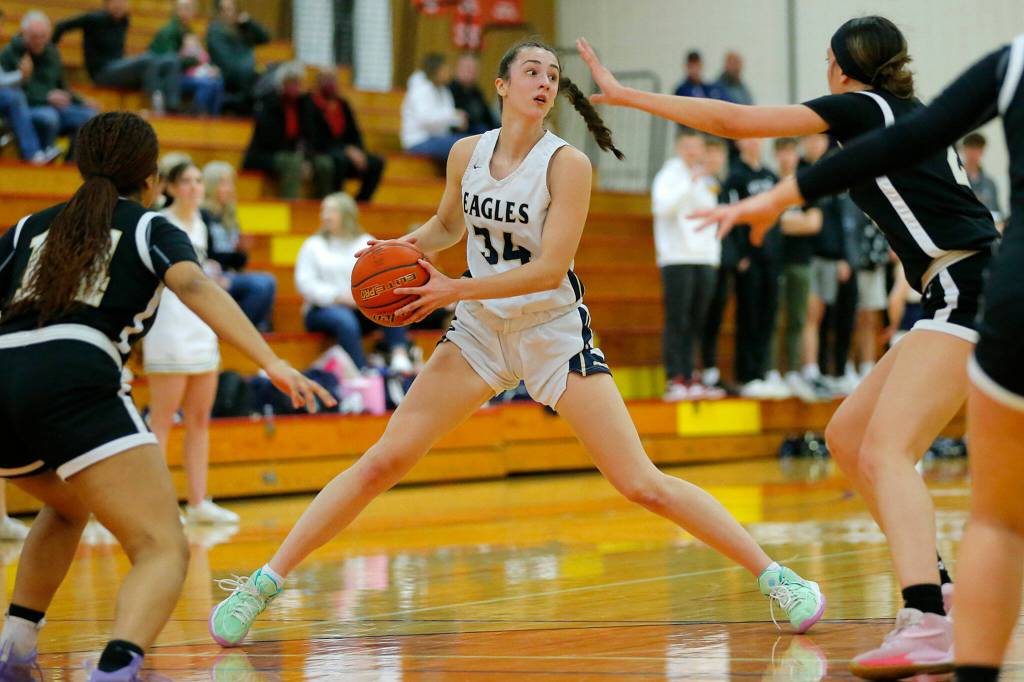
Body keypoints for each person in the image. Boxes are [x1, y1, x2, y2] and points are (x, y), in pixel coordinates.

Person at [207, 39, 825, 649]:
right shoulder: (465, 153)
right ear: (502, 86)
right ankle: (261, 584)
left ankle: (779, 578)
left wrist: (451, 290)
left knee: (641, 483)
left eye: (554, 74)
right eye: (532, 70)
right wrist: (405, 248)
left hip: (550, 332)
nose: (546, 81)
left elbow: (550, 270)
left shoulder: (567, 165)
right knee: (384, 461)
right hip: (480, 330)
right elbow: (451, 224)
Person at [578, 16, 1000, 678]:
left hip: (965, 283)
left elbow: (737, 122)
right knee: (848, 435)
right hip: (952, 285)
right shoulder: (895, 113)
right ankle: (939, 588)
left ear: (838, 65)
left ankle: (928, 617)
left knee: (888, 449)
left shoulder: (862, 106)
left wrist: (630, 96)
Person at [0, 112, 332, 681]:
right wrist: (271, 360)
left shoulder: (28, 226)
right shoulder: (149, 227)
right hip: (76, 374)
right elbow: (197, 286)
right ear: (151, 177)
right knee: (162, 548)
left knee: (67, 503)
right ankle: (116, 668)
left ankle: (14, 644)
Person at [142, 160, 240, 526]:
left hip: (201, 326)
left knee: (200, 418)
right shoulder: (158, 223)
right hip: (168, 326)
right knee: (162, 420)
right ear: (168, 187)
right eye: (186, 181)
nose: (196, 187)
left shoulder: (205, 224)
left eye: (199, 180)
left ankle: (198, 502)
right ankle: (154, 504)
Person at [295, 193, 413, 375]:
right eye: (323, 211)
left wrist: (366, 297)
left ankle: (400, 355)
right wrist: (338, 297)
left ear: (346, 214)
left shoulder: (365, 241)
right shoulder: (313, 245)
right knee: (344, 319)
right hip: (321, 310)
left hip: (361, 308)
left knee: (391, 303)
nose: (325, 216)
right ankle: (361, 372)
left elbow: (382, 278)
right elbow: (305, 283)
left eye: (331, 211)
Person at [652, 130, 722, 401]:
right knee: (677, 319)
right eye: (688, 146)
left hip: (704, 259)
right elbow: (662, 208)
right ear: (679, 147)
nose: (694, 152)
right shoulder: (669, 175)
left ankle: (692, 376)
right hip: (677, 258)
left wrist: (713, 257)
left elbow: (712, 218)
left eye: (698, 147)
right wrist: (689, 184)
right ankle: (675, 378)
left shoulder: (707, 179)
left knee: (697, 321)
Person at [720, 137, 784, 398]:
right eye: (748, 139)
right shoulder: (735, 177)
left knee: (768, 316)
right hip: (749, 259)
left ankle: (762, 370)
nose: (753, 143)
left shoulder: (771, 175)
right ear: (739, 143)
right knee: (749, 317)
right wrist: (740, 255)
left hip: (772, 258)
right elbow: (731, 216)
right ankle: (747, 374)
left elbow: (778, 215)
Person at [53, 0, 182, 114]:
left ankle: (172, 106)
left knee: (172, 60)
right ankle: (156, 106)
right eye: (116, 1)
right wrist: (51, 51)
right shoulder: (94, 18)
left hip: (119, 68)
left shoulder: (124, 20)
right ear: (107, 3)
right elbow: (61, 25)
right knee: (148, 59)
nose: (120, 5)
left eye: (123, 2)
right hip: (101, 73)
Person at [0, 12, 97, 160]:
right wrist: (46, 98)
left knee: (89, 117)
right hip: (28, 107)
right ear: (24, 34)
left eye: (43, 36)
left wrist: (79, 100)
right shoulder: (10, 53)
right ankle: (41, 155)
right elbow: (12, 94)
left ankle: (70, 165)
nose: (39, 41)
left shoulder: (52, 52)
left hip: (54, 106)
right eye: (34, 37)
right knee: (49, 117)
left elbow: (62, 86)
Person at [770, 138, 822, 400]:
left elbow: (814, 223)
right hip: (773, 260)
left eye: (791, 151)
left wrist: (784, 221)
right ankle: (770, 372)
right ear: (776, 155)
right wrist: (793, 220)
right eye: (782, 152)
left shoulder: (805, 183)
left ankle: (791, 371)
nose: (787, 157)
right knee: (772, 318)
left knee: (798, 318)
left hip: (800, 260)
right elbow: (769, 222)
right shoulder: (768, 182)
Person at [202, 161, 276, 331]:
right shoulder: (202, 215)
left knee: (269, 281)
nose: (229, 188)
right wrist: (231, 256)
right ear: (211, 185)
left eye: (230, 184)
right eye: (224, 183)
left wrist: (242, 251)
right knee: (260, 285)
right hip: (211, 275)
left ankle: (249, 329)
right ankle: (238, 331)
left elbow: (239, 262)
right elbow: (206, 253)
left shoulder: (229, 216)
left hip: (229, 273)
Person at [242, 63, 328, 199]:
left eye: (298, 83)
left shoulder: (304, 105)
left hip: (293, 154)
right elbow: (269, 139)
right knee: (292, 162)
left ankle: (324, 204)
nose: (295, 87)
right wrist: (299, 157)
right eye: (291, 83)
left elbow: (312, 135)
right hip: (265, 154)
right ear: (282, 84)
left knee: (324, 163)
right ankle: (290, 205)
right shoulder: (269, 102)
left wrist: (306, 158)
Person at [302, 69, 385, 201]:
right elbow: (315, 139)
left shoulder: (343, 104)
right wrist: (346, 150)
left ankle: (361, 202)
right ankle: (338, 202)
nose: (330, 84)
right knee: (338, 161)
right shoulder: (310, 103)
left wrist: (359, 151)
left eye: (333, 79)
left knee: (377, 162)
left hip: (347, 153)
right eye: (326, 79)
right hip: (324, 151)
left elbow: (355, 133)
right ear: (318, 82)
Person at [0, 8, 57, 164]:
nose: (1, 29)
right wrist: (21, 76)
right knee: (14, 96)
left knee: (49, 117)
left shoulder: (51, 53)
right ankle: (33, 154)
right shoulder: (10, 52)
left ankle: (44, 153)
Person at [401, 53, 469, 160]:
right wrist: (454, 117)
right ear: (436, 71)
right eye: (445, 69)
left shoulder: (444, 91)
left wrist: (459, 120)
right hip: (418, 141)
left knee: (470, 141)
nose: (449, 72)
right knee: (462, 146)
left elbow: (448, 115)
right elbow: (426, 119)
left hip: (438, 138)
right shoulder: (420, 89)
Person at [206, 0, 271, 112]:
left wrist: (250, 22)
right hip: (231, 77)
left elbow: (265, 38)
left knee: (274, 73)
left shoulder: (242, 27)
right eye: (226, 9)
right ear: (219, 13)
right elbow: (227, 62)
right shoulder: (215, 32)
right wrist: (250, 69)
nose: (231, 13)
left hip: (247, 74)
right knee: (265, 86)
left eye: (233, 9)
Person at [960, 132, 1003, 228]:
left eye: (978, 149)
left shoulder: (990, 183)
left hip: (988, 231)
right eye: (971, 148)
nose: (974, 153)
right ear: (964, 150)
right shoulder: (957, 181)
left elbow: (997, 212)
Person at [449, 52, 499, 133]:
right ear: (458, 69)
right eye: (467, 68)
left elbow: (488, 117)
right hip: (460, 134)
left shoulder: (476, 91)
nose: (471, 72)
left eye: (474, 69)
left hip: (481, 132)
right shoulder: (449, 90)